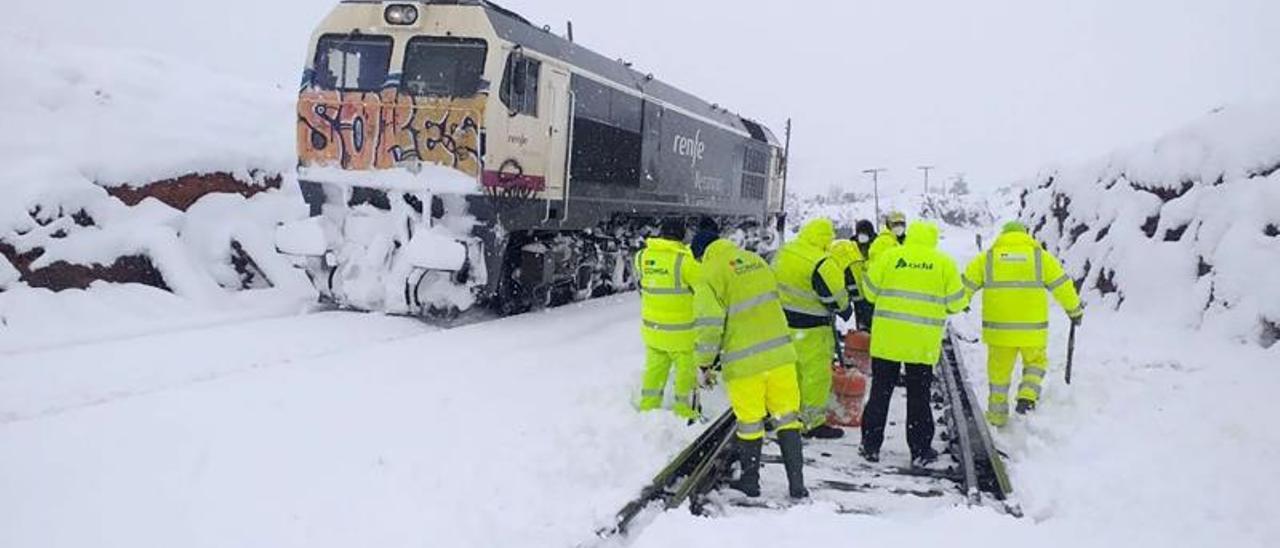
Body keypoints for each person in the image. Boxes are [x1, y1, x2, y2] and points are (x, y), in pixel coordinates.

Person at [690, 228, 808, 499]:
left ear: (701, 254)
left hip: (746, 363)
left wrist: (704, 364)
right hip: (781, 356)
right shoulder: (756, 261)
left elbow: (709, 325)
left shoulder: (708, 273)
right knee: (787, 419)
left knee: (750, 422)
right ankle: (797, 485)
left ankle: (750, 482)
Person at [860, 221, 968, 466]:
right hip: (921, 343)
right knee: (919, 396)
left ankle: (870, 445)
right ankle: (919, 450)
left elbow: (869, 292)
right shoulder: (943, 263)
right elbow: (956, 303)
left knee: (880, 391)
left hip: (888, 339)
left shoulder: (890, 257)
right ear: (932, 239)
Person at [962, 221, 1084, 426]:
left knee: (998, 374)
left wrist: (960, 304)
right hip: (1032, 330)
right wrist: (1075, 311)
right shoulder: (1040, 258)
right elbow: (1062, 285)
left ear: (1003, 235)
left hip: (999, 332)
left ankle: (997, 417)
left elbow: (965, 284)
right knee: (1035, 364)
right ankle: (1027, 396)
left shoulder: (988, 258)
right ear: (1025, 235)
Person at [772, 218, 850, 439]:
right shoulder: (822, 261)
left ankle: (787, 417)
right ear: (826, 239)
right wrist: (846, 309)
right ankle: (813, 422)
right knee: (815, 375)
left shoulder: (785, 251)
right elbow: (836, 297)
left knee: (790, 371)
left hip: (783, 323)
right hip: (813, 327)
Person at [635, 218, 700, 420]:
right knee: (685, 373)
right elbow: (705, 291)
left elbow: (642, 286)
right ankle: (684, 410)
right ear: (682, 235)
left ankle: (647, 407)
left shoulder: (641, 256)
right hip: (682, 334)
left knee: (654, 370)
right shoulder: (686, 262)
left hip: (653, 331)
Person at [830, 238, 871, 332]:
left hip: (851, 276)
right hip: (860, 281)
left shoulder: (829, 250)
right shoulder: (849, 246)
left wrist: (845, 311)